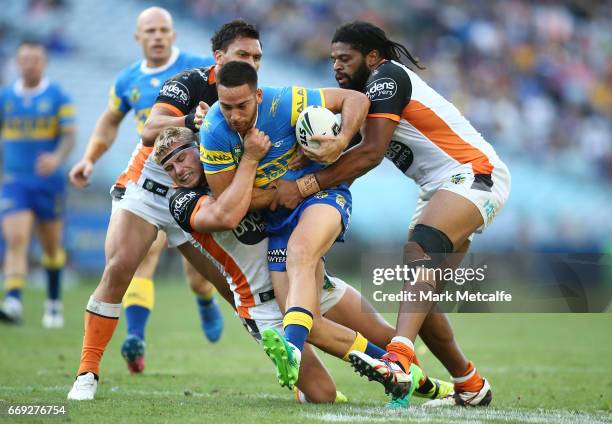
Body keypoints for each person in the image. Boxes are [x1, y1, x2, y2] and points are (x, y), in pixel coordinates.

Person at [272, 21, 511, 407]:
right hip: (439, 186)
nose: (337, 66)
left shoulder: (387, 77)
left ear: (372, 57)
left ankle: (399, 356)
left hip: (473, 172)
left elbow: (371, 152)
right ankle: (469, 384)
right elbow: (351, 148)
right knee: (422, 300)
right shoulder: (364, 96)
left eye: (345, 58)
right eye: (333, 59)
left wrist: (304, 186)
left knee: (420, 251)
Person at [154, 126, 453, 403]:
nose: (179, 171)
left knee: (391, 338)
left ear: (199, 147)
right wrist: (256, 164)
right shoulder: (182, 201)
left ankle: (433, 384)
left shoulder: (231, 165)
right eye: (170, 168)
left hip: (305, 275)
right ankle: (398, 376)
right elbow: (226, 214)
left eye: (182, 158)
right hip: (262, 303)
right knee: (323, 394)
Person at [66, 18, 266, 402]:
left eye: (257, 56)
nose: (252, 63)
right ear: (219, 58)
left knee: (234, 286)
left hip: (193, 199)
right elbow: (148, 129)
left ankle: (289, 365)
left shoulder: (256, 96)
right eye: (244, 55)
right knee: (120, 267)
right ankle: (87, 373)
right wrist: (191, 120)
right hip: (148, 188)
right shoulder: (189, 81)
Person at [200, 61, 382, 392]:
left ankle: (292, 352)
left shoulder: (283, 102)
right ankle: (400, 371)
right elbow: (229, 202)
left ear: (257, 95)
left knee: (300, 253)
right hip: (279, 219)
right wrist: (263, 176)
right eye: (226, 107)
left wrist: (339, 142)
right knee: (305, 321)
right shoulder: (213, 133)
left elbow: (356, 100)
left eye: (242, 106)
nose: (234, 116)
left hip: (319, 195)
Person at [0, 41, 75, 328]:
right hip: (15, 180)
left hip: (48, 182)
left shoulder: (58, 97)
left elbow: (69, 136)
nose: (29, 64)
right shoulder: (5, 98)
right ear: (17, 63)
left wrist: (56, 158)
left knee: (51, 245)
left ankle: (53, 303)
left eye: (35, 60)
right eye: (25, 60)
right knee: (16, 239)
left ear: (43, 63)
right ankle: (13, 300)